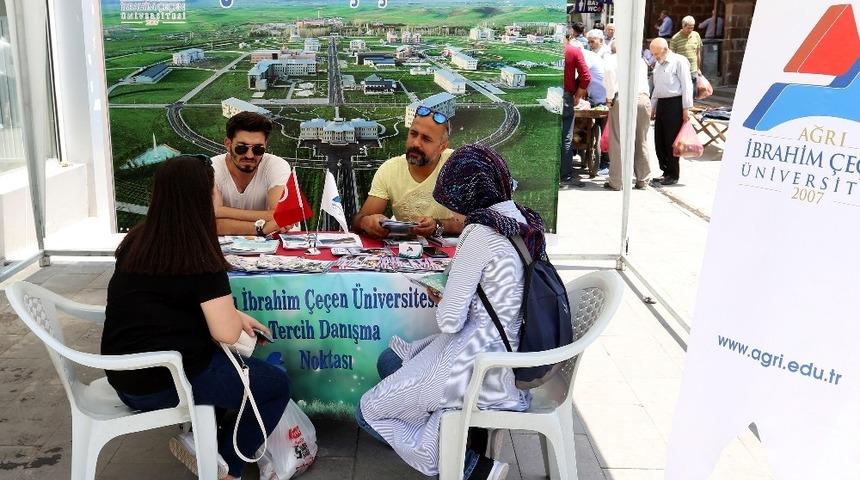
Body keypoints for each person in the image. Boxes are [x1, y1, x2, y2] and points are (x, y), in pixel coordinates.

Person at [356, 144, 544, 480]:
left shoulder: (481, 234)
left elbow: (449, 320)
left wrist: (440, 296)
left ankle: (471, 467)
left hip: (479, 365)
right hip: (512, 353)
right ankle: (451, 441)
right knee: (391, 361)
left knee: (368, 411)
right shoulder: (523, 220)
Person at [101, 155, 292, 480]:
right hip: (166, 382)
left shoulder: (138, 239)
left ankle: (204, 440)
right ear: (202, 197)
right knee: (275, 385)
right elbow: (227, 334)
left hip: (124, 378)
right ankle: (225, 462)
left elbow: (171, 301)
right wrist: (233, 320)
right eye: (214, 190)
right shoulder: (199, 253)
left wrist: (234, 314)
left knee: (227, 370)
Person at [352, 108, 464, 238]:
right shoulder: (390, 170)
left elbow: (468, 222)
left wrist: (437, 225)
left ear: (442, 147)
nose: (416, 143)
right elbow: (359, 220)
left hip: (451, 250)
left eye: (426, 139)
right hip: (406, 251)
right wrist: (367, 223)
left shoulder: (457, 165)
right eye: (413, 134)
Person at [211, 112, 293, 236]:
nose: (249, 155)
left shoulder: (276, 165)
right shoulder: (211, 169)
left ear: (266, 146)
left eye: (258, 149)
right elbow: (211, 225)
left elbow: (281, 216)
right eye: (241, 148)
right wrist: (262, 227)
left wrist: (221, 211)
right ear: (228, 144)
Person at [604, 43, 652, 191]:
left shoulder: (612, 59)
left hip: (622, 97)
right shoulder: (641, 60)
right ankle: (643, 180)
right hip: (643, 98)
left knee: (618, 140)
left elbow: (609, 78)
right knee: (641, 139)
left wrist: (609, 98)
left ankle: (617, 181)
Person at [649, 38, 694, 186]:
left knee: (671, 141)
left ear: (665, 49)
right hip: (662, 103)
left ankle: (673, 174)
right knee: (659, 140)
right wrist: (652, 106)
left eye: (657, 53)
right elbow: (657, 88)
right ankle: (665, 170)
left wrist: (686, 108)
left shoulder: (679, 61)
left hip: (675, 103)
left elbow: (687, 85)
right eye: (653, 54)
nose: (655, 56)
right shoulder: (658, 64)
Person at [561, 28, 592, 187]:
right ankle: (564, 175)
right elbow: (586, 76)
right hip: (565, 96)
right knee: (565, 137)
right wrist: (578, 96)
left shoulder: (546, 50)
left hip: (546, 96)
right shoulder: (574, 51)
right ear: (570, 36)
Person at [670, 16, 703, 84]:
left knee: (694, 93)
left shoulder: (696, 35)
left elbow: (698, 53)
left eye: (692, 28)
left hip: (694, 71)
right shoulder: (675, 39)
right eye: (688, 28)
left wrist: (698, 68)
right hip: (681, 71)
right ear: (683, 26)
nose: (690, 30)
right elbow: (671, 57)